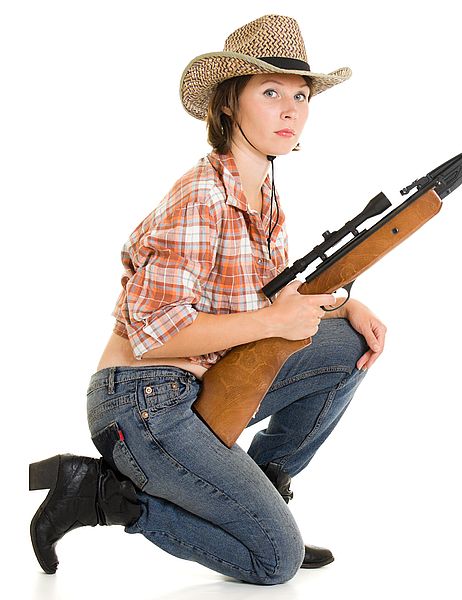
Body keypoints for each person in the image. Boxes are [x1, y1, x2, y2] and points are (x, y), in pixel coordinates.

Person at [27, 14, 386, 586]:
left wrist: (347, 307)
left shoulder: (263, 195)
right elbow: (158, 333)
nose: (292, 108)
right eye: (271, 93)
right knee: (275, 561)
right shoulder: (202, 194)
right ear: (228, 105)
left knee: (347, 344)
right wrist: (274, 318)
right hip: (141, 403)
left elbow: (271, 300)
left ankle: (260, 492)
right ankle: (103, 495)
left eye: (300, 94)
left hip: (192, 390)